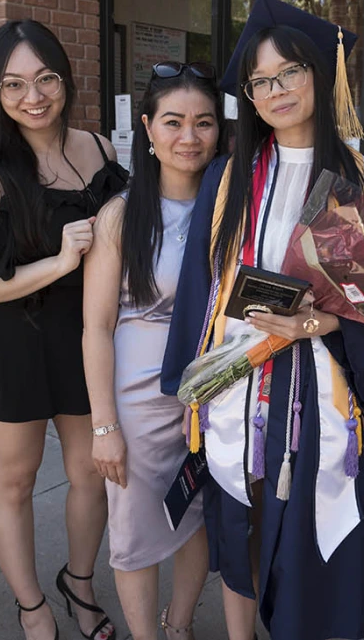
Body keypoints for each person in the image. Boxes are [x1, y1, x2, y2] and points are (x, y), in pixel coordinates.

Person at [161, 0, 364, 640]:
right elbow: (201, 290)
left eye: (289, 70)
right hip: (235, 379)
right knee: (241, 520)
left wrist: (321, 323)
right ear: (250, 98)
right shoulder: (230, 177)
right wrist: (192, 384)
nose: (276, 88)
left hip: (317, 387)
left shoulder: (362, 178)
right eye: (261, 80)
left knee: (305, 530)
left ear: (318, 73)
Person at [0, 20, 126, 640]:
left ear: (66, 78)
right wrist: (57, 262)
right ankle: (30, 605)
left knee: (90, 472)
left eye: (46, 77)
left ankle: (79, 583)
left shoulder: (101, 150)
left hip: (86, 338)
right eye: (14, 84)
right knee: (16, 478)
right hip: (12, 341)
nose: (34, 96)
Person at [83, 61, 222, 640]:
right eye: (173, 122)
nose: (189, 137)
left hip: (211, 395)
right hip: (139, 405)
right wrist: (103, 426)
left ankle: (179, 626)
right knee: (136, 531)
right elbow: (95, 326)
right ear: (146, 128)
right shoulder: (123, 215)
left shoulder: (230, 210)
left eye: (204, 123)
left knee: (195, 522)